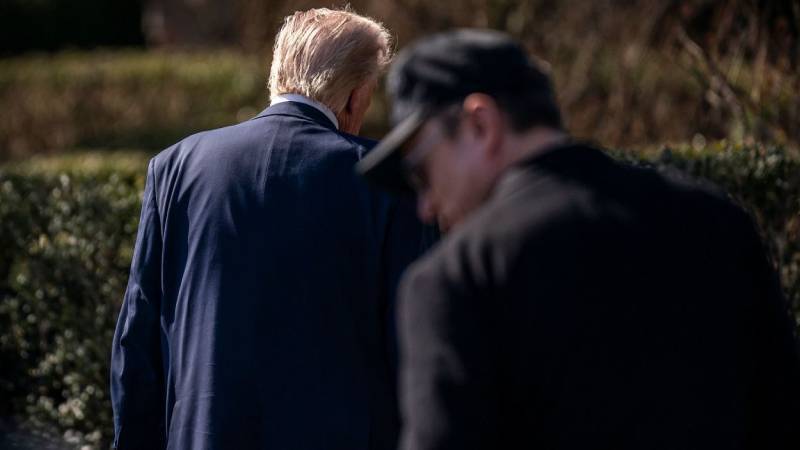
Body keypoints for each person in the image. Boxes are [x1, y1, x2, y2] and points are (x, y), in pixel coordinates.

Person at [358, 29, 800, 449]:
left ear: (481, 124)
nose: (425, 205)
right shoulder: (718, 222)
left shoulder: (460, 279)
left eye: (420, 171)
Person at [111, 9, 429, 450]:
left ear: (277, 75)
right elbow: (413, 344)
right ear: (356, 96)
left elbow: (138, 339)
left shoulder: (176, 166)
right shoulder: (383, 180)